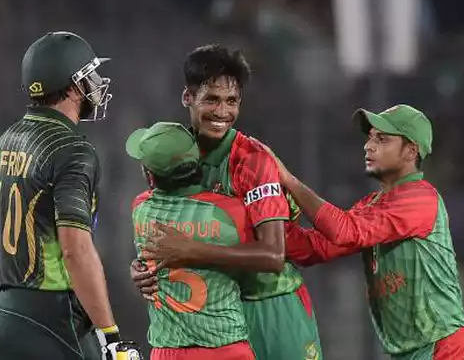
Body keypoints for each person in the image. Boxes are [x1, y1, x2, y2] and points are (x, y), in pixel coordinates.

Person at [130, 44, 322, 360]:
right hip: (216, 320)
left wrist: (189, 250)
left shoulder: (253, 162)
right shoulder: (171, 153)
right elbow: (165, 232)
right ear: (187, 98)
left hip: (269, 305)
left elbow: (274, 255)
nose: (222, 112)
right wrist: (142, 269)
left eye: (232, 101)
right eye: (212, 100)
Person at [0, 31, 142, 360]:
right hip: (45, 313)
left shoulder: (5, 140)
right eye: (90, 75)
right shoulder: (72, 149)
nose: (96, 84)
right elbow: (75, 250)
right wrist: (110, 335)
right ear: (75, 85)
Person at [276, 104, 464, 360]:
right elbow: (317, 247)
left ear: (411, 150)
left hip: (443, 351)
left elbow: (344, 231)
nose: (368, 146)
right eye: (369, 138)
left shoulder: (420, 197)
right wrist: (261, 223)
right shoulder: (373, 204)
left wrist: (289, 182)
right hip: (407, 353)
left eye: (382, 139)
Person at [126, 121, 256, 360]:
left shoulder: (141, 209)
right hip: (227, 349)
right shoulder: (233, 212)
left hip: (168, 351)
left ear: (151, 177)